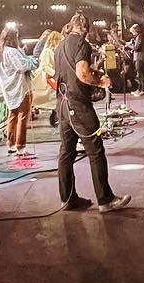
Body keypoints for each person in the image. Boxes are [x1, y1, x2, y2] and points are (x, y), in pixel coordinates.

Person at [54, 12, 131, 213]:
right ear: (85, 29)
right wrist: (100, 81)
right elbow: (82, 74)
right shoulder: (82, 44)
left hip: (62, 105)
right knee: (95, 150)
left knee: (66, 152)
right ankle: (105, 200)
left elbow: (65, 75)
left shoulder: (59, 46)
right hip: (78, 106)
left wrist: (90, 74)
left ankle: (67, 199)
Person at [0, 26, 38, 161]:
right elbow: (23, 65)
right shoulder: (12, 52)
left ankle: (11, 144)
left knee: (12, 115)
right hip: (20, 88)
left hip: (8, 88)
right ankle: (21, 147)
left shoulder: (0, 51)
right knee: (22, 117)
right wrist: (33, 61)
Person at [32, 29, 63, 123]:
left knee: (56, 99)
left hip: (50, 78)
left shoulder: (53, 51)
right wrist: (55, 74)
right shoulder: (46, 51)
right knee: (53, 99)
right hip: (46, 79)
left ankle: (56, 117)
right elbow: (45, 66)